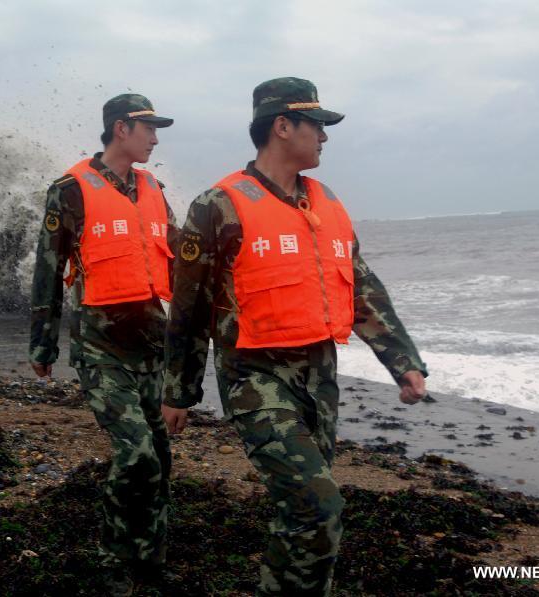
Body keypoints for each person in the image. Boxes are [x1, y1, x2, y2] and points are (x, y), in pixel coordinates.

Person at [161, 77, 428, 596]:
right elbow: (189, 309)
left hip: (319, 376)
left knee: (301, 512)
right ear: (282, 126)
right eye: (318, 126)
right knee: (319, 505)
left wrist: (403, 362)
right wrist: (180, 392)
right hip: (254, 378)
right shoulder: (217, 206)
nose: (325, 137)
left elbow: (362, 289)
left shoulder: (326, 203)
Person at [29, 93, 178, 596]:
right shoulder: (69, 190)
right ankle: (113, 559)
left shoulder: (154, 188)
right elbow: (47, 271)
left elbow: (179, 259)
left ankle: (150, 559)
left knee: (159, 451)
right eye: (148, 128)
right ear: (121, 129)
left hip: (151, 344)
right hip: (101, 347)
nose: (156, 138)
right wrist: (42, 346)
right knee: (136, 452)